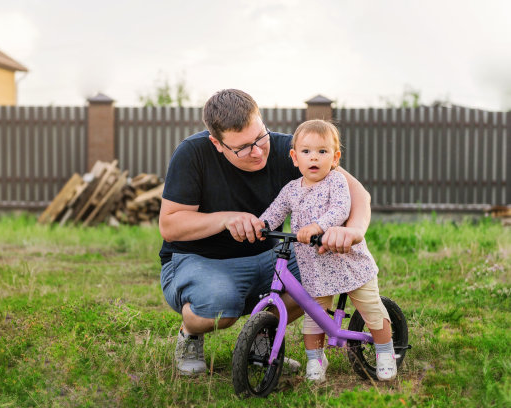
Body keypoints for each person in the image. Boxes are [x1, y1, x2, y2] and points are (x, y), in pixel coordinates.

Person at [158, 89, 372, 376]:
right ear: (217, 143)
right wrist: (225, 219)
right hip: (200, 259)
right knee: (220, 306)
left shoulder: (291, 151)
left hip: (268, 257)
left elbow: (359, 194)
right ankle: (190, 334)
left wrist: (354, 230)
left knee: (321, 272)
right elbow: (170, 224)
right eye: (243, 147)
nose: (257, 151)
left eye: (260, 137)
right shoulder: (193, 153)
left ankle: (261, 340)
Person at [259, 119, 396, 382]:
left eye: (322, 152)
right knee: (314, 316)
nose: (314, 158)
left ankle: (385, 351)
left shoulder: (336, 181)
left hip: (348, 262)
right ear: (294, 157)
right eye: (306, 151)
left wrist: (317, 226)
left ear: (335, 158)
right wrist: (261, 224)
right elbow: (274, 212)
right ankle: (315, 360)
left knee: (370, 308)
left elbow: (340, 210)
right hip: (315, 267)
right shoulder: (290, 190)